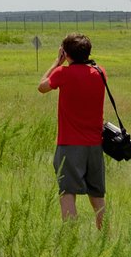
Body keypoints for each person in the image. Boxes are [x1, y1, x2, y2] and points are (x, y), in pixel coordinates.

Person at [37, 33, 108, 228]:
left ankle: (71, 239)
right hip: (95, 144)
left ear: (66, 53)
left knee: (67, 192)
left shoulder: (63, 73)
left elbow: (42, 87)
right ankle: (106, 236)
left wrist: (56, 62)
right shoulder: (100, 72)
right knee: (97, 195)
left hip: (69, 144)